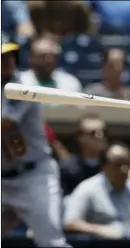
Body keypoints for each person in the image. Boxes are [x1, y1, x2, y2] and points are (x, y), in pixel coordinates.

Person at [1, 42, 70, 247]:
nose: (6, 62)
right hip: (2, 178)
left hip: (34, 177)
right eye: (1, 58)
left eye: (10, 56)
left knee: (51, 242)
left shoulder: (22, 87)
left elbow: (5, 123)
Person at [64, 143, 130, 239]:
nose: (124, 169)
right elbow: (70, 223)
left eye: (127, 164)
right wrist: (99, 230)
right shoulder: (88, 188)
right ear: (104, 167)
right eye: (118, 165)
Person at [57, 113, 108, 196]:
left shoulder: (113, 164)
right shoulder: (67, 167)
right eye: (93, 132)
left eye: (104, 132)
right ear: (80, 138)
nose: (100, 136)